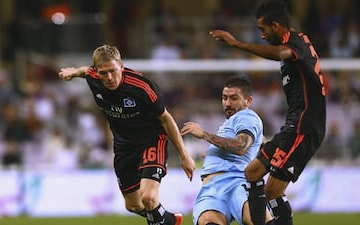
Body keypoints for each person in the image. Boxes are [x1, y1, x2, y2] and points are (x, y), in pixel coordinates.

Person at [209, 1, 326, 225]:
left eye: (263, 29)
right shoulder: (298, 44)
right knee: (252, 173)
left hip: (304, 128)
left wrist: (236, 44)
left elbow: (281, 52)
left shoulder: (293, 43)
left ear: (275, 25)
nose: (261, 35)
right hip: (292, 127)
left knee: (272, 190)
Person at [58, 44, 195, 225]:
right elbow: (86, 71)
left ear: (121, 67)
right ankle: (168, 220)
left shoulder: (142, 87)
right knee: (134, 206)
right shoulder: (93, 76)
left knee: (148, 198)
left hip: (151, 140)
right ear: (97, 72)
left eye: (113, 71)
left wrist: (184, 156)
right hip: (123, 146)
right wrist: (74, 72)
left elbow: (166, 119)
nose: (109, 77)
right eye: (103, 73)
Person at [181, 76, 274, 225]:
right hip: (212, 188)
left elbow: (240, 146)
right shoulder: (231, 123)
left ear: (248, 101)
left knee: (258, 221)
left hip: (235, 182)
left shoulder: (246, 116)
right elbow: (261, 143)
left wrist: (204, 134)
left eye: (234, 98)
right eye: (224, 98)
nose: (227, 103)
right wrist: (213, 155)